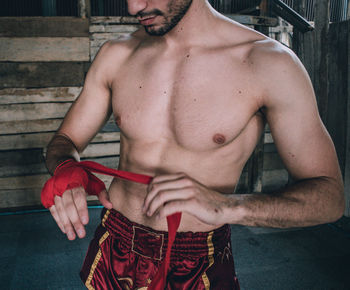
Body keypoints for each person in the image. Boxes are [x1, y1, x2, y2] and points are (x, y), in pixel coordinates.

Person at [42, 0, 345, 289]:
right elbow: (65, 141)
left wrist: (229, 207)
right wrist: (67, 168)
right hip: (116, 240)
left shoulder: (268, 63)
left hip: (197, 261)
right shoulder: (117, 54)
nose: (134, 7)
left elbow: (329, 198)